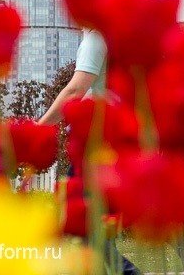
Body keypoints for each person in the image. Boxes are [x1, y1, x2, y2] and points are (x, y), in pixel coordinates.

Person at [39, 29, 140, 275]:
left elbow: (76, 90)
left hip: (96, 144)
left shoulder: (96, 36)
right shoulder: (115, 35)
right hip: (112, 141)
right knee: (90, 228)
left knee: (84, 227)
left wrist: (37, 129)